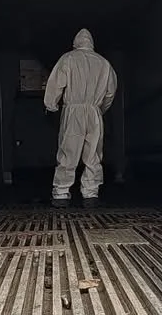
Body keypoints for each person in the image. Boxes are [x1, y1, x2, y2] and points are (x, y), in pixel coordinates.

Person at [43, 29, 117, 208]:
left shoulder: (68, 59)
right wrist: (100, 110)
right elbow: (110, 92)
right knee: (93, 153)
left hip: (73, 111)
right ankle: (91, 192)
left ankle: (61, 192)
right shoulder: (104, 64)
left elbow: (56, 84)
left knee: (68, 151)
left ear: (75, 43)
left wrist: (51, 105)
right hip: (94, 112)